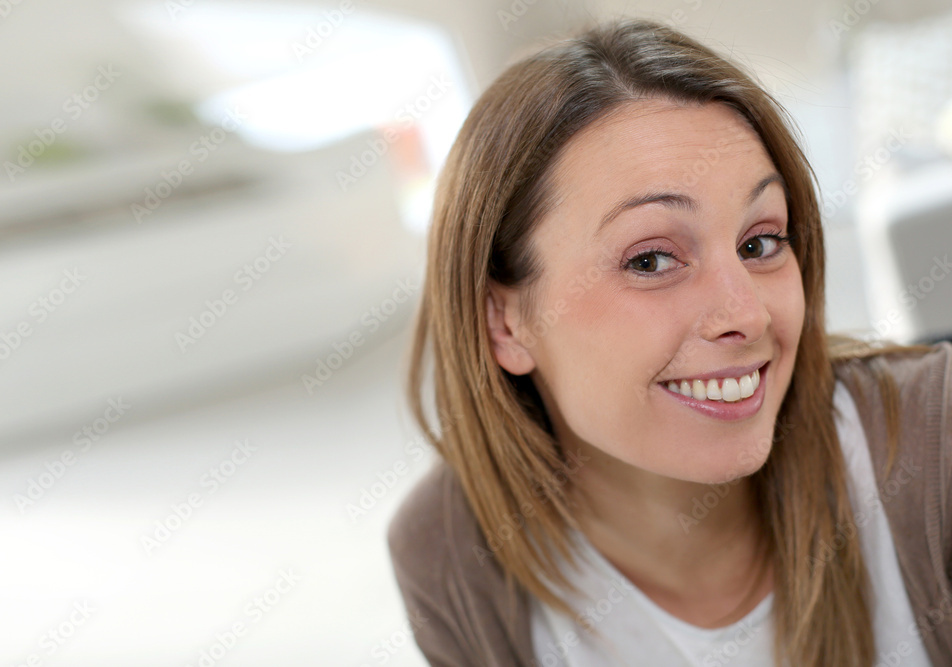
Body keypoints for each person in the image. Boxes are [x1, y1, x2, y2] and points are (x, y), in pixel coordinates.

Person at [387, 18, 952, 667]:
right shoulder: (452, 553)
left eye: (759, 243)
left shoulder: (932, 446)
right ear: (503, 324)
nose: (746, 314)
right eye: (652, 260)